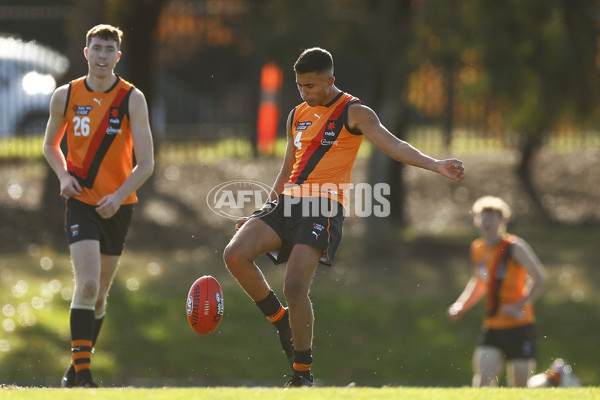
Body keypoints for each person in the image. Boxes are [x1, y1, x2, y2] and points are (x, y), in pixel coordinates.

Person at [223, 47, 465, 388]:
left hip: (322, 207)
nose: (304, 93)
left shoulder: (355, 112)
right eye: (299, 86)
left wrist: (436, 164)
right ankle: (281, 323)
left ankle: (302, 373)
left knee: (294, 287)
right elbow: (287, 168)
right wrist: (263, 209)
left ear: (330, 81)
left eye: (310, 86)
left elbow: (395, 146)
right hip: (288, 202)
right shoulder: (296, 115)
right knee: (234, 255)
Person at [43, 24, 154, 388]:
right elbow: (50, 146)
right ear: (86, 53)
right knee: (87, 285)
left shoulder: (131, 99)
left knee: (101, 296)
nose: (103, 55)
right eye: (97, 48)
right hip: (80, 203)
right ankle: (85, 380)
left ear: (117, 56)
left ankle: (76, 368)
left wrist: (119, 196)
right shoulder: (66, 95)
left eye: (110, 50)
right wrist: (62, 176)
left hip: (118, 206)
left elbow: (147, 164)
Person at [447, 196, 547, 387]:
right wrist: (461, 305)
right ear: (477, 220)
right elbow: (479, 282)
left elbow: (540, 277)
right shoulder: (477, 248)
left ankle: (551, 380)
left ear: (502, 222)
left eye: (492, 218)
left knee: (518, 388)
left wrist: (519, 304)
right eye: (483, 218)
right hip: (493, 325)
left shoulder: (514, 248)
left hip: (519, 326)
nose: (487, 223)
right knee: (482, 382)